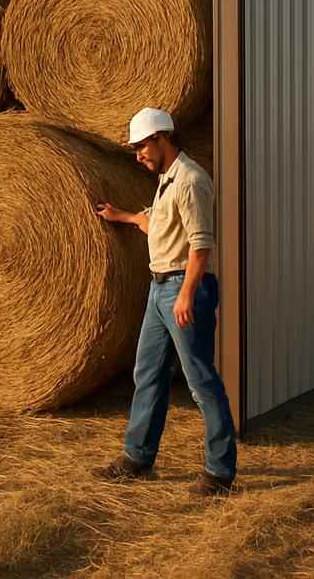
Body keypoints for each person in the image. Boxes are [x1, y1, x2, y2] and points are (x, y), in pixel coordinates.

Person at [92, 106, 237, 495]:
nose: (138, 155)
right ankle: (137, 456)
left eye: (142, 146)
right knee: (148, 373)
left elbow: (200, 244)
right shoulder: (166, 181)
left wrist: (187, 294)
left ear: (163, 138)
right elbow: (154, 222)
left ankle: (219, 472)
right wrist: (120, 216)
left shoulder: (190, 180)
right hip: (159, 289)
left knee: (200, 382)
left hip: (182, 290)